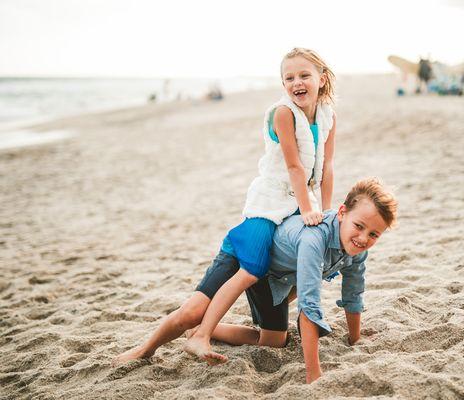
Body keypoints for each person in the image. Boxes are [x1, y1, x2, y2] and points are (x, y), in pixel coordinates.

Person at [113, 48, 337, 365]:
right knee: (192, 311)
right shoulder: (283, 114)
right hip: (266, 209)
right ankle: (149, 348)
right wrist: (309, 209)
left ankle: (208, 331)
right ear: (282, 83)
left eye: (304, 75)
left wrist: (324, 211)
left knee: (275, 341)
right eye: (289, 77)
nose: (297, 83)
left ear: (322, 78)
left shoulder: (328, 116)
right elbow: (295, 168)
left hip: (296, 205)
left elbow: (326, 169)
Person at [188, 178, 398, 383]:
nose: (363, 238)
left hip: (291, 273)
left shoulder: (356, 249)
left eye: (373, 234)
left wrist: (355, 339)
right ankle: (202, 327)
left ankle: (207, 325)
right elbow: (308, 305)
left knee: (305, 290)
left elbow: (353, 292)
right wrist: (313, 375)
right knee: (274, 341)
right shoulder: (314, 239)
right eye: (359, 226)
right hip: (264, 271)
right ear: (342, 212)